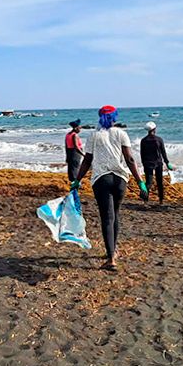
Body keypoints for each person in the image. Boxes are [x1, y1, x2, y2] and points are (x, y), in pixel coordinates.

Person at [71, 106, 148, 271]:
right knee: (115, 214)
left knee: (107, 218)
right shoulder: (121, 134)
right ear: (114, 117)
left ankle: (111, 257)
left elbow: (87, 161)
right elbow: (130, 159)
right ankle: (114, 250)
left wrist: (77, 180)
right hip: (120, 180)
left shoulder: (94, 135)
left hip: (101, 180)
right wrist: (140, 181)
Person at [140, 121, 174, 206]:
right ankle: (161, 201)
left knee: (148, 183)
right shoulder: (159, 139)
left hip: (147, 163)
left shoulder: (143, 140)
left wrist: (143, 163)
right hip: (158, 163)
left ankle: (145, 201)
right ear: (154, 129)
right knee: (159, 182)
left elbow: (142, 154)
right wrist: (167, 163)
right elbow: (163, 153)